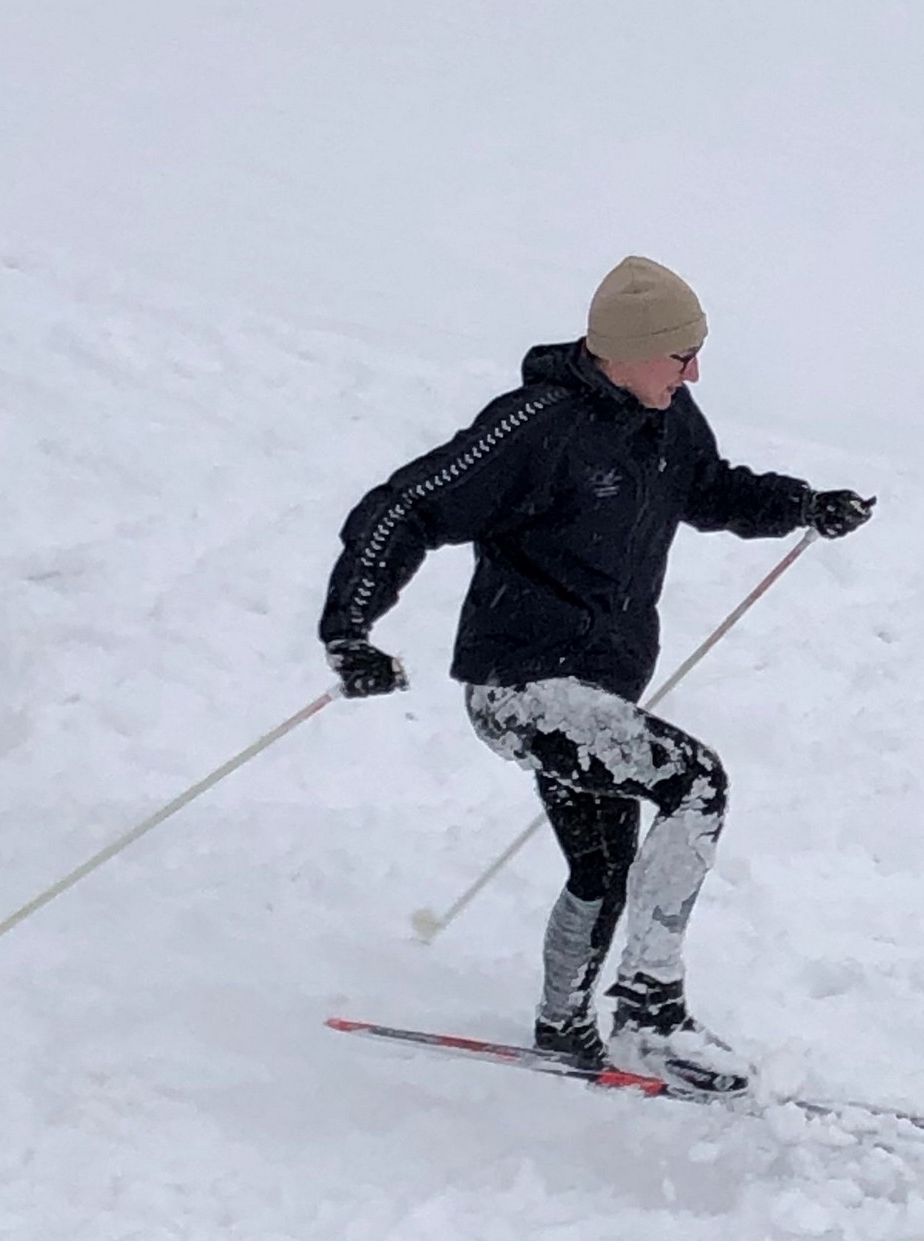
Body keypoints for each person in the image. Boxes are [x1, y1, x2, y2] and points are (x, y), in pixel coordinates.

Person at [319, 255, 873, 1098]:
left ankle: (565, 1026)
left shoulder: (668, 420)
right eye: (681, 355)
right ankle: (650, 1015)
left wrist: (803, 505)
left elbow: (712, 491)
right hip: (521, 689)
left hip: (597, 696)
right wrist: (350, 629)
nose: (694, 373)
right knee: (694, 782)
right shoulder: (536, 427)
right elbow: (407, 505)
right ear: (628, 349)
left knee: (602, 868)